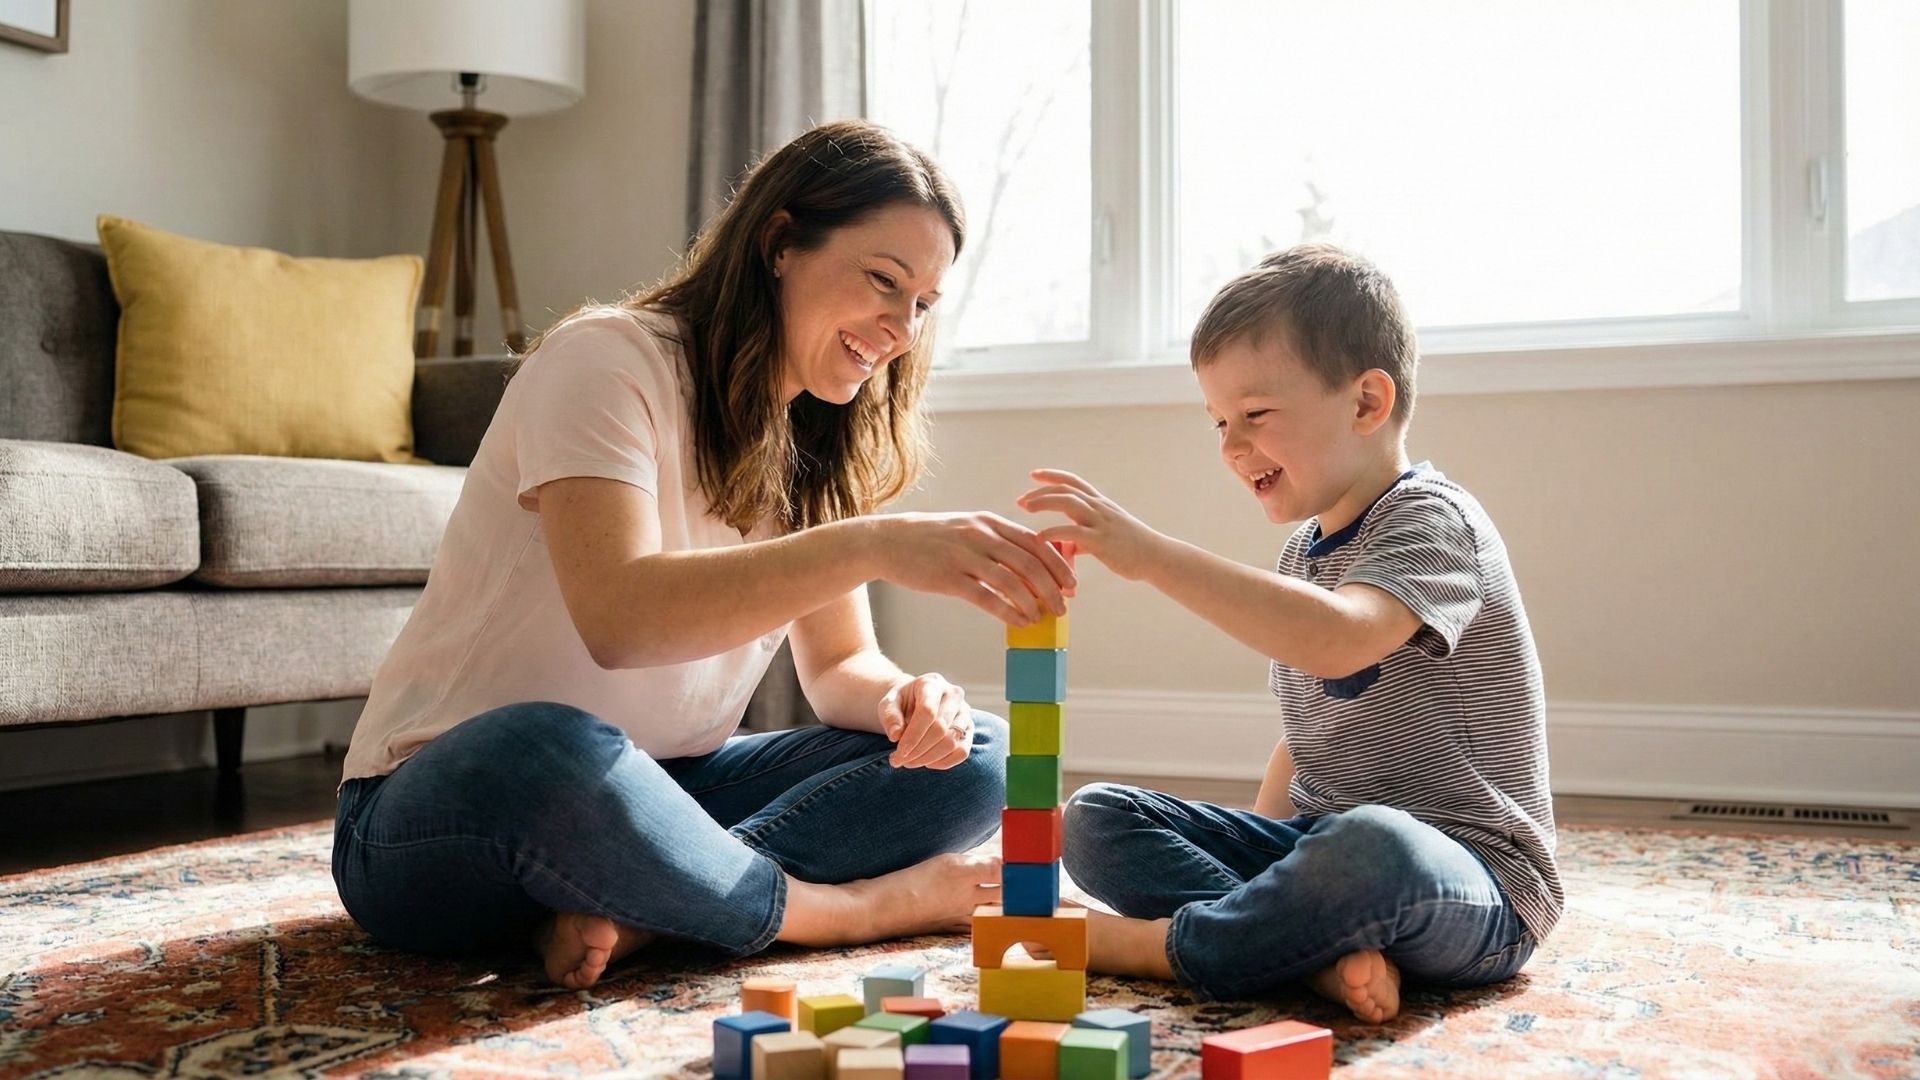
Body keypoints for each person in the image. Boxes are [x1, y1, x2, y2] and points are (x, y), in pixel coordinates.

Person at [332, 120, 1077, 990]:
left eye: (922, 305)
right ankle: (844, 910)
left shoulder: (818, 441)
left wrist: (906, 701)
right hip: (450, 805)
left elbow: (839, 666)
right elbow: (621, 620)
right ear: (780, 243)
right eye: (883, 281)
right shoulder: (606, 361)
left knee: (975, 755)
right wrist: (874, 544)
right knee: (545, 749)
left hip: (659, 794)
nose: (901, 330)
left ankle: (647, 908)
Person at [1017, 244, 1559, 1023]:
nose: (1232, 448)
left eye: (1256, 416)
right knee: (1098, 819)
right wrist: (1265, 869)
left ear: (1367, 402)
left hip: (1473, 882)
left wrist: (1152, 557)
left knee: (1373, 845)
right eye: (1219, 423)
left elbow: (1338, 640)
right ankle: (1300, 952)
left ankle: (1169, 944)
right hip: (1324, 858)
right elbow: (1305, 739)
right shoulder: (1302, 552)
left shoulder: (1435, 521)